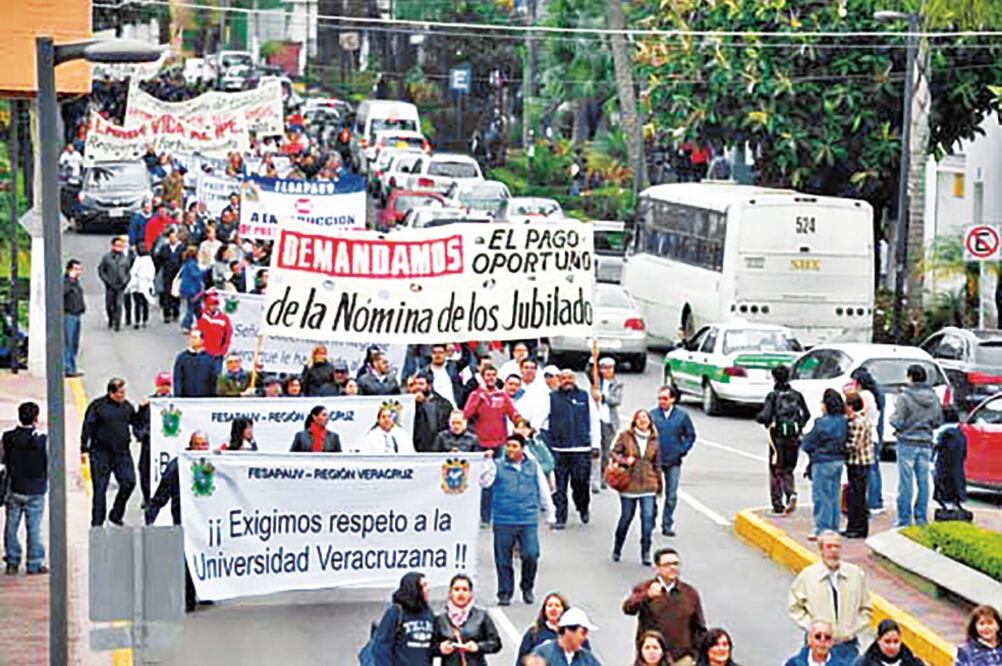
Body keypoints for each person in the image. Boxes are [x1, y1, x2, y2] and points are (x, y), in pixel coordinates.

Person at [479, 434, 556, 606]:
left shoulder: (533, 466)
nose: (510, 449)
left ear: (522, 448)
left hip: (527, 518)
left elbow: (543, 489)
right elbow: (485, 483)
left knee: (531, 554)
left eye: (514, 446)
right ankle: (505, 592)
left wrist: (550, 512)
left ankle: (527, 586)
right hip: (503, 518)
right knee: (503, 558)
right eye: (508, 446)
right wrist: (487, 463)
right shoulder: (498, 465)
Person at [144, 431, 210, 611]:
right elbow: (161, 494)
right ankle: (188, 598)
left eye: (205, 445)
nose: (202, 448)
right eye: (199, 444)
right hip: (184, 519)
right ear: (191, 445)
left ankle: (206, 590)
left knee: (205, 555)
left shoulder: (213, 465)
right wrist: (151, 516)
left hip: (207, 521)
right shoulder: (177, 466)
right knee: (187, 557)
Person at [788, 532, 871, 663]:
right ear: (821, 550)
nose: (833, 551)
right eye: (829, 547)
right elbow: (795, 607)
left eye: (837, 547)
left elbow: (866, 608)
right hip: (818, 647)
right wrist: (813, 627)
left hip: (847, 646)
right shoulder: (808, 576)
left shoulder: (856, 575)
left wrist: (852, 629)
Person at [623, 547, 707, 663]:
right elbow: (628, 608)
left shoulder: (689, 593)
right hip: (651, 658)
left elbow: (699, 627)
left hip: (682, 658)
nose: (673, 568)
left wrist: (696, 655)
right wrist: (646, 596)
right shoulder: (645, 588)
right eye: (667, 564)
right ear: (658, 567)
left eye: (676, 564)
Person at [81, 378, 144, 527]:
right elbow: (87, 426)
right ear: (111, 392)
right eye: (120, 392)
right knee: (100, 489)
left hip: (121, 452)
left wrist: (142, 411)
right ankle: (97, 522)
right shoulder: (97, 407)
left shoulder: (127, 407)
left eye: (124, 392)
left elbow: (136, 423)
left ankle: (116, 514)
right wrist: (83, 447)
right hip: (100, 452)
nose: (123, 395)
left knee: (129, 482)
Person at [464, 364, 520, 526]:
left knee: (499, 479)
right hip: (481, 444)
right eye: (487, 375)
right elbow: (466, 414)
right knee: (483, 482)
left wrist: (522, 424)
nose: (490, 378)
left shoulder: (502, 396)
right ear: (482, 377)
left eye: (493, 375)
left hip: (499, 444)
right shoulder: (476, 394)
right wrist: (478, 400)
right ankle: (484, 516)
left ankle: (499, 514)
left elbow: (513, 414)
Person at [890, 364, 943, 528]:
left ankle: (904, 519)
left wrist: (892, 419)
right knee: (923, 482)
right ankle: (921, 518)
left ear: (911, 377)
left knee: (905, 483)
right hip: (925, 441)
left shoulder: (904, 397)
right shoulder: (933, 397)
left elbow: (897, 420)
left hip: (907, 441)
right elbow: (937, 421)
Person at [756, 365, 810, 514]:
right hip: (794, 438)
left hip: (777, 439)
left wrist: (760, 419)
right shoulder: (797, 395)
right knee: (788, 468)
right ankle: (791, 492)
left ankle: (778, 503)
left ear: (774, 378)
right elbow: (806, 414)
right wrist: (798, 427)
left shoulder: (773, 396)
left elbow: (765, 416)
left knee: (776, 470)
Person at [3, 402, 48, 575]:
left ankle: (12, 561)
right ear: (36, 418)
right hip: (36, 489)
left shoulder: (8, 437)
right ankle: (34, 563)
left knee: (11, 526)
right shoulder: (41, 440)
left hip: (15, 487)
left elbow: (3, 459)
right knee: (34, 527)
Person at [611, 409, 662, 565]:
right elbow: (613, 453)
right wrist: (625, 461)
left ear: (649, 422)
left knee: (647, 519)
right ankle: (617, 548)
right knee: (626, 518)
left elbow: (657, 463)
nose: (642, 421)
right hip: (629, 484)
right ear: (634, 421)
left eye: (645, 418)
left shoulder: (654, 439)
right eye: (639, 418)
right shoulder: (626, 436)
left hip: (648, 484)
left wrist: (659, 485)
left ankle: (645, 551)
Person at [549, 369, 594, 529]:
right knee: (559, 486)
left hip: (581, 449)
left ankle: (583, 507)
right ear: (559, 380)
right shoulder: (552, 398)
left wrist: (595, 444)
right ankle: (560, 517)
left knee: (581, 483)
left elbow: (593, 420)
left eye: (570, 378)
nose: (567, 381)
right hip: (559, 449)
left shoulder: (584, 396)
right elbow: (544, 420)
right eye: (563, 378)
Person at [800, 389, 849, 538]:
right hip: (838, 460)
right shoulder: (843, 421)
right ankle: (833, 526)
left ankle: (822, 528)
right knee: (834, 495)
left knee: (821, 496)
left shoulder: (821, 423)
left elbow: (808, 443)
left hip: (822, 461)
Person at [649, 386, 696, 537]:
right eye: (660, 398)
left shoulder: (682, 416)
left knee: (672, 495)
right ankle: (650, 521)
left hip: (674, 461)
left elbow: (690, 435)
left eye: (665, 398)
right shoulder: (652, 415)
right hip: (655, 461)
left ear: (673, 399)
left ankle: (667, 523)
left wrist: (681, 450)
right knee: (653, 493)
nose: (661, 401)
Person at [432, 573, 502, 665]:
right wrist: (440, 648)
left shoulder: (481, 616)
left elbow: (496, 644)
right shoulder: (440, 620)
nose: (461, 593)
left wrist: (478, 647)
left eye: (465, 590)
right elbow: (428, 648)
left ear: (470, 594)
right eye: (456, 589)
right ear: (450, 593)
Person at [370, 571, 435, 665]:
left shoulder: (428, 612)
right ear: (414, 589)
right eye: (424, 586)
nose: (427, 589)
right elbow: (382, 645)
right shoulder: (396, 611)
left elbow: (432, 645)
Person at [133, 372, 172, 509]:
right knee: (144, 470)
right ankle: (147, 497)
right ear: (157, 385)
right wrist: (142, 435)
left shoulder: (176, 402)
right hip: (149, 443)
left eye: (168, 385)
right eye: (163, 385)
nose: (165, 388)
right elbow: (137, 423)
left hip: (167, 444)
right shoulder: (148, 403)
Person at [849, 367, 885, 515]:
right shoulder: (876, 394)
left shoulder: (864, 396)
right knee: (874, 469)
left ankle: (872, 502)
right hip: (873, 435)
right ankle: (876, 500)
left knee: (869, 470)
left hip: (866, 435)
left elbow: (857, 413)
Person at [517, 593, 592, 662]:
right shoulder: (533, 633)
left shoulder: (576, 634)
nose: (553, 609)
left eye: (557, 606)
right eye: (550, 605)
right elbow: (522, 659)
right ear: (544, 610)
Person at [843, 394, 874, 539]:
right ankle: (854, 526)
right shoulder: (855, 420)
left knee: (857, 497)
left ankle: (858, 528)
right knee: (855, 495)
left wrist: (839, 447)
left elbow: (854, 445)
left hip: (859, 462)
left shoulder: (857, 422)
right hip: (857, 462)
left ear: (851, 406)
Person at [592, 355, 623, 493]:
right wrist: (593, 357)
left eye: (609, 368)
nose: (606, 371)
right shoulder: (596, 381)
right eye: (603, 368)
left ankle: (604, 477)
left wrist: (603, 397)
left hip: (609, 421)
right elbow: (589, 370)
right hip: (596, 420)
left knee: (606, 451)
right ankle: (593, 478)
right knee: (594, 450)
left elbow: (616, 400)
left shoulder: (617, 384)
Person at [531, 607, 602, 665]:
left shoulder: (588, 659)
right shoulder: (543, 654)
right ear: (568, 631)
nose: (585, 638)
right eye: (582, 633)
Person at [409, 373, 452, 453]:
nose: (417, 387)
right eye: (415, 384)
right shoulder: (409, 404)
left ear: (429, 385)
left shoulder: (444, 404)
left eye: (421, 384)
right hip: (417, 447)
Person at [97, 236, 132, 331]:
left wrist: (126, 280)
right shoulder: (106, 257)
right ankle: (111, 318)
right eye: (117, 245)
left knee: (119, 304)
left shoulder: (125, 258)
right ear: (112, 246)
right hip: (110, 285)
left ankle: (117, 323)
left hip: (121, 285)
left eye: (120, 246)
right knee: (109, 304)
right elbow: (101, 270)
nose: (118, 247)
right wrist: (106, 280)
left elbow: (128, 271)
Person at [784, 619, 854, 666]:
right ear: (809, 639)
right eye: (818, 636)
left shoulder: (842, 664)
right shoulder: (793, 664)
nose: (822, 641)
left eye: (827, 637)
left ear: (832, 642)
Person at [854, 619, 923, 666]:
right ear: (879, 641)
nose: (892, 646)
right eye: (887, 642)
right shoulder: (863, 663)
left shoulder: (913, 663)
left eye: (896, 641)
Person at [195, 288, 233, 371]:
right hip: (202, 352)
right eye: (211, 305)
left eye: (215, 305)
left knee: (215, 377)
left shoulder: (224, 318)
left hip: (217, 355)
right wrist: (204, 293)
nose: (214, 307)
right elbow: (194, 302)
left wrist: (223, 351)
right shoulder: (201, 314)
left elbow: (228, 336)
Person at [173, 330, 217, 398]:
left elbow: (213, 380)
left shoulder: (209, 359)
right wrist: (178, 395)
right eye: (191, 338)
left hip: (205, 399)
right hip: (186, 398)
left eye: (195, 338)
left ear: (202, 340)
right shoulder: (182, 358)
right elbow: (178, 378)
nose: (192, 340)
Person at [423, 343, 466, 408]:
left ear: (445, 354)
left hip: (455, 409)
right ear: (431, 355)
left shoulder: (453, 365)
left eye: (440, 352)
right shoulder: (424, 373)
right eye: (435, 353)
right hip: (437, 411)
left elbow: (466, 358)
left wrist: (462, 342)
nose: (438, 355)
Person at [155, 226, 184, 323]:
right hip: (167, 273)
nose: (173, 240)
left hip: (177, 274)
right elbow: (159, 261)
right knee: (166, 294)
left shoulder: (181, 248)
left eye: (174, 238)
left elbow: (183, 261)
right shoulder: (164, 248)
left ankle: (176, 312)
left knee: (176, 294)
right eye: (171, 238)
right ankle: (166, 314)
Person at [124, 243, 156, 330]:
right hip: (138, 284)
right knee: (142, 303)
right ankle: (142, 320)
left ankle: (140, 320)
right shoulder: (144, 259)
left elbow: (134, 271)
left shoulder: (145, 260)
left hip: (141, 284)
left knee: (139, 304)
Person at [63, 259, 86, 378]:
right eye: (76, 269)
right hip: (68, 315)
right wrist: (70, 281)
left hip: (77, 314)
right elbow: (63, 293)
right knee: (68, 343)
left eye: (79, 269)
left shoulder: (75, 282)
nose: (78, 272)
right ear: (69, 270)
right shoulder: (66, 282)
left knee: (74, 343)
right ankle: (68, 369)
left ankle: (72, 367)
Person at [177, 246, 203, 333]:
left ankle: (202, 324)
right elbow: (196, 275)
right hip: (193, 290)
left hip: (187, 289)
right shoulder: (193, 264)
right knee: (191, 308)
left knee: (196, 308)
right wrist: (205, 271)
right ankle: (186, 325)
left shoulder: (186, 264)